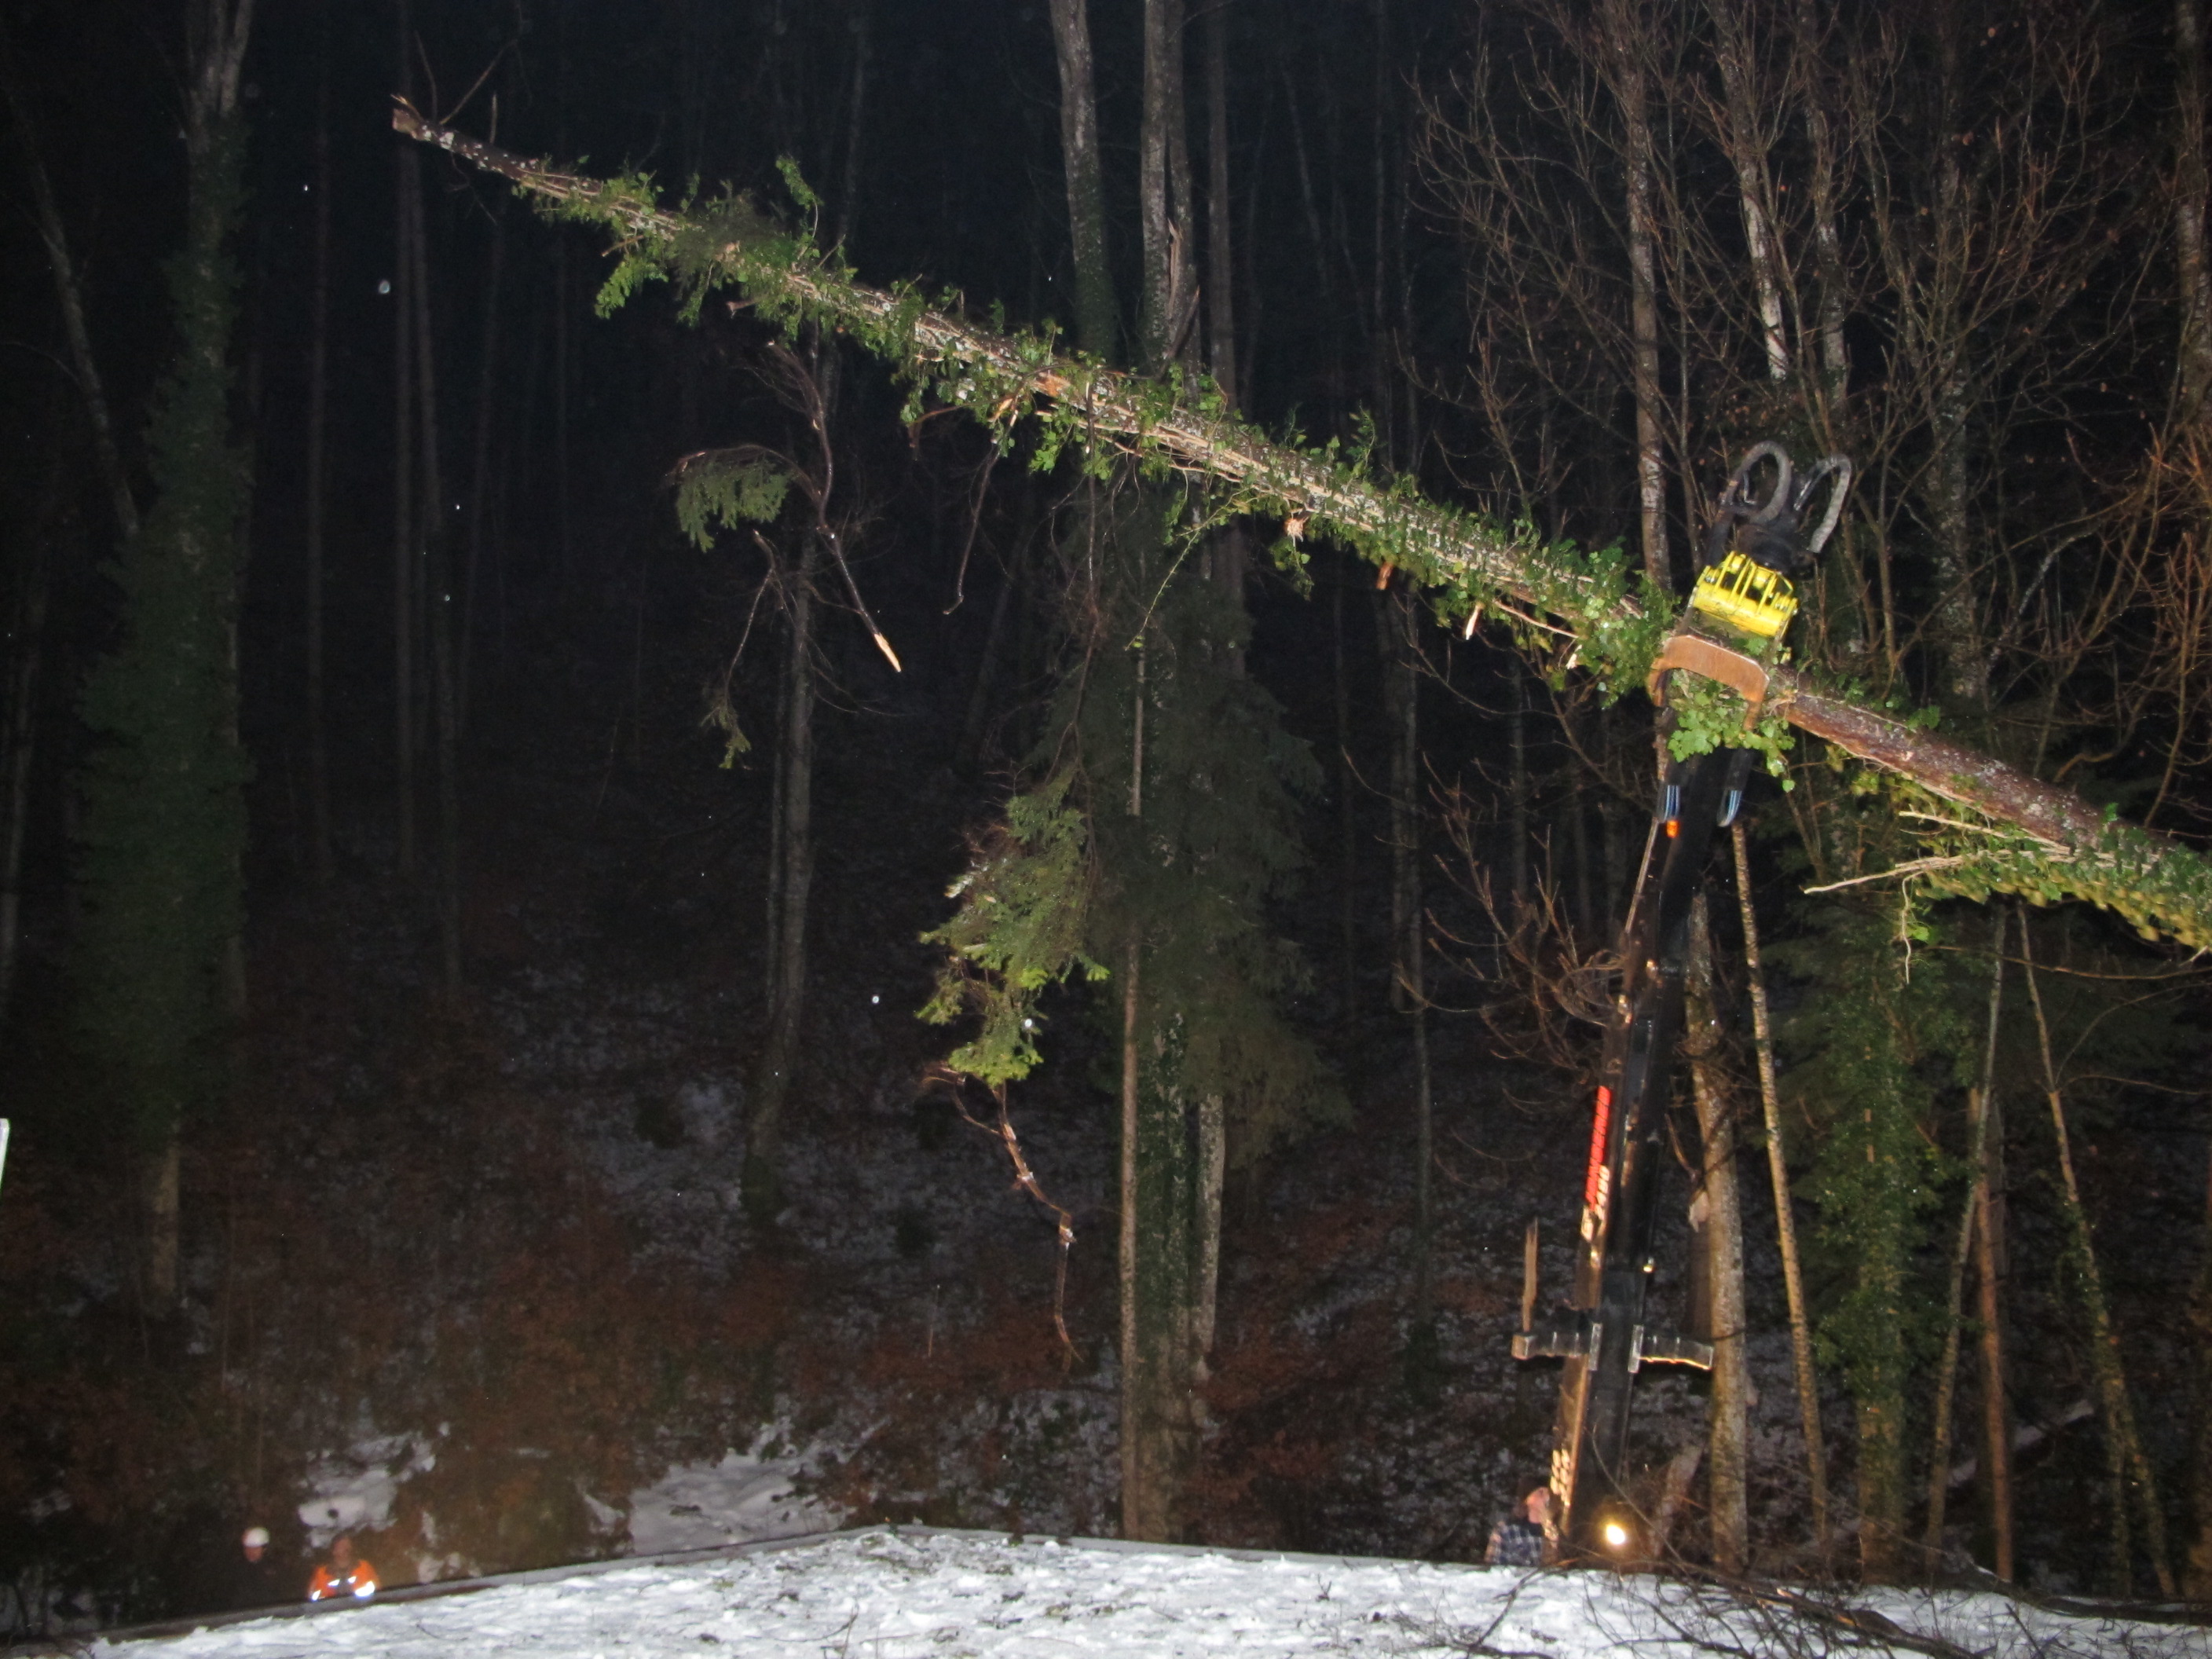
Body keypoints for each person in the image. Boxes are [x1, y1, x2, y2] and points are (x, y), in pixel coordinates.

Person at [1485, 1485, 1555, 1568]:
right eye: (1541, 1492)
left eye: (1550, 1495)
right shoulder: (1506, 1530)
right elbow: (1492, 1567)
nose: (1546, 1496)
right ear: (1527, 1498)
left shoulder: (1555, 1534)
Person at [306, 1533, 380, 1602]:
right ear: (334, 1551)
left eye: (348, 1545)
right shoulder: (321, 1573)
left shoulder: (364, 1567)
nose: (346, 1548)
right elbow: (312, 1600)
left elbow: (378, 1593)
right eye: (342, 1546)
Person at [230, 1525, 285, 1609]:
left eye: (255, 1548)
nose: (250, 1552)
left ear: (264, 1549)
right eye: (247, 1548)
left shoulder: (275, 1569)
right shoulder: (237, 1569)